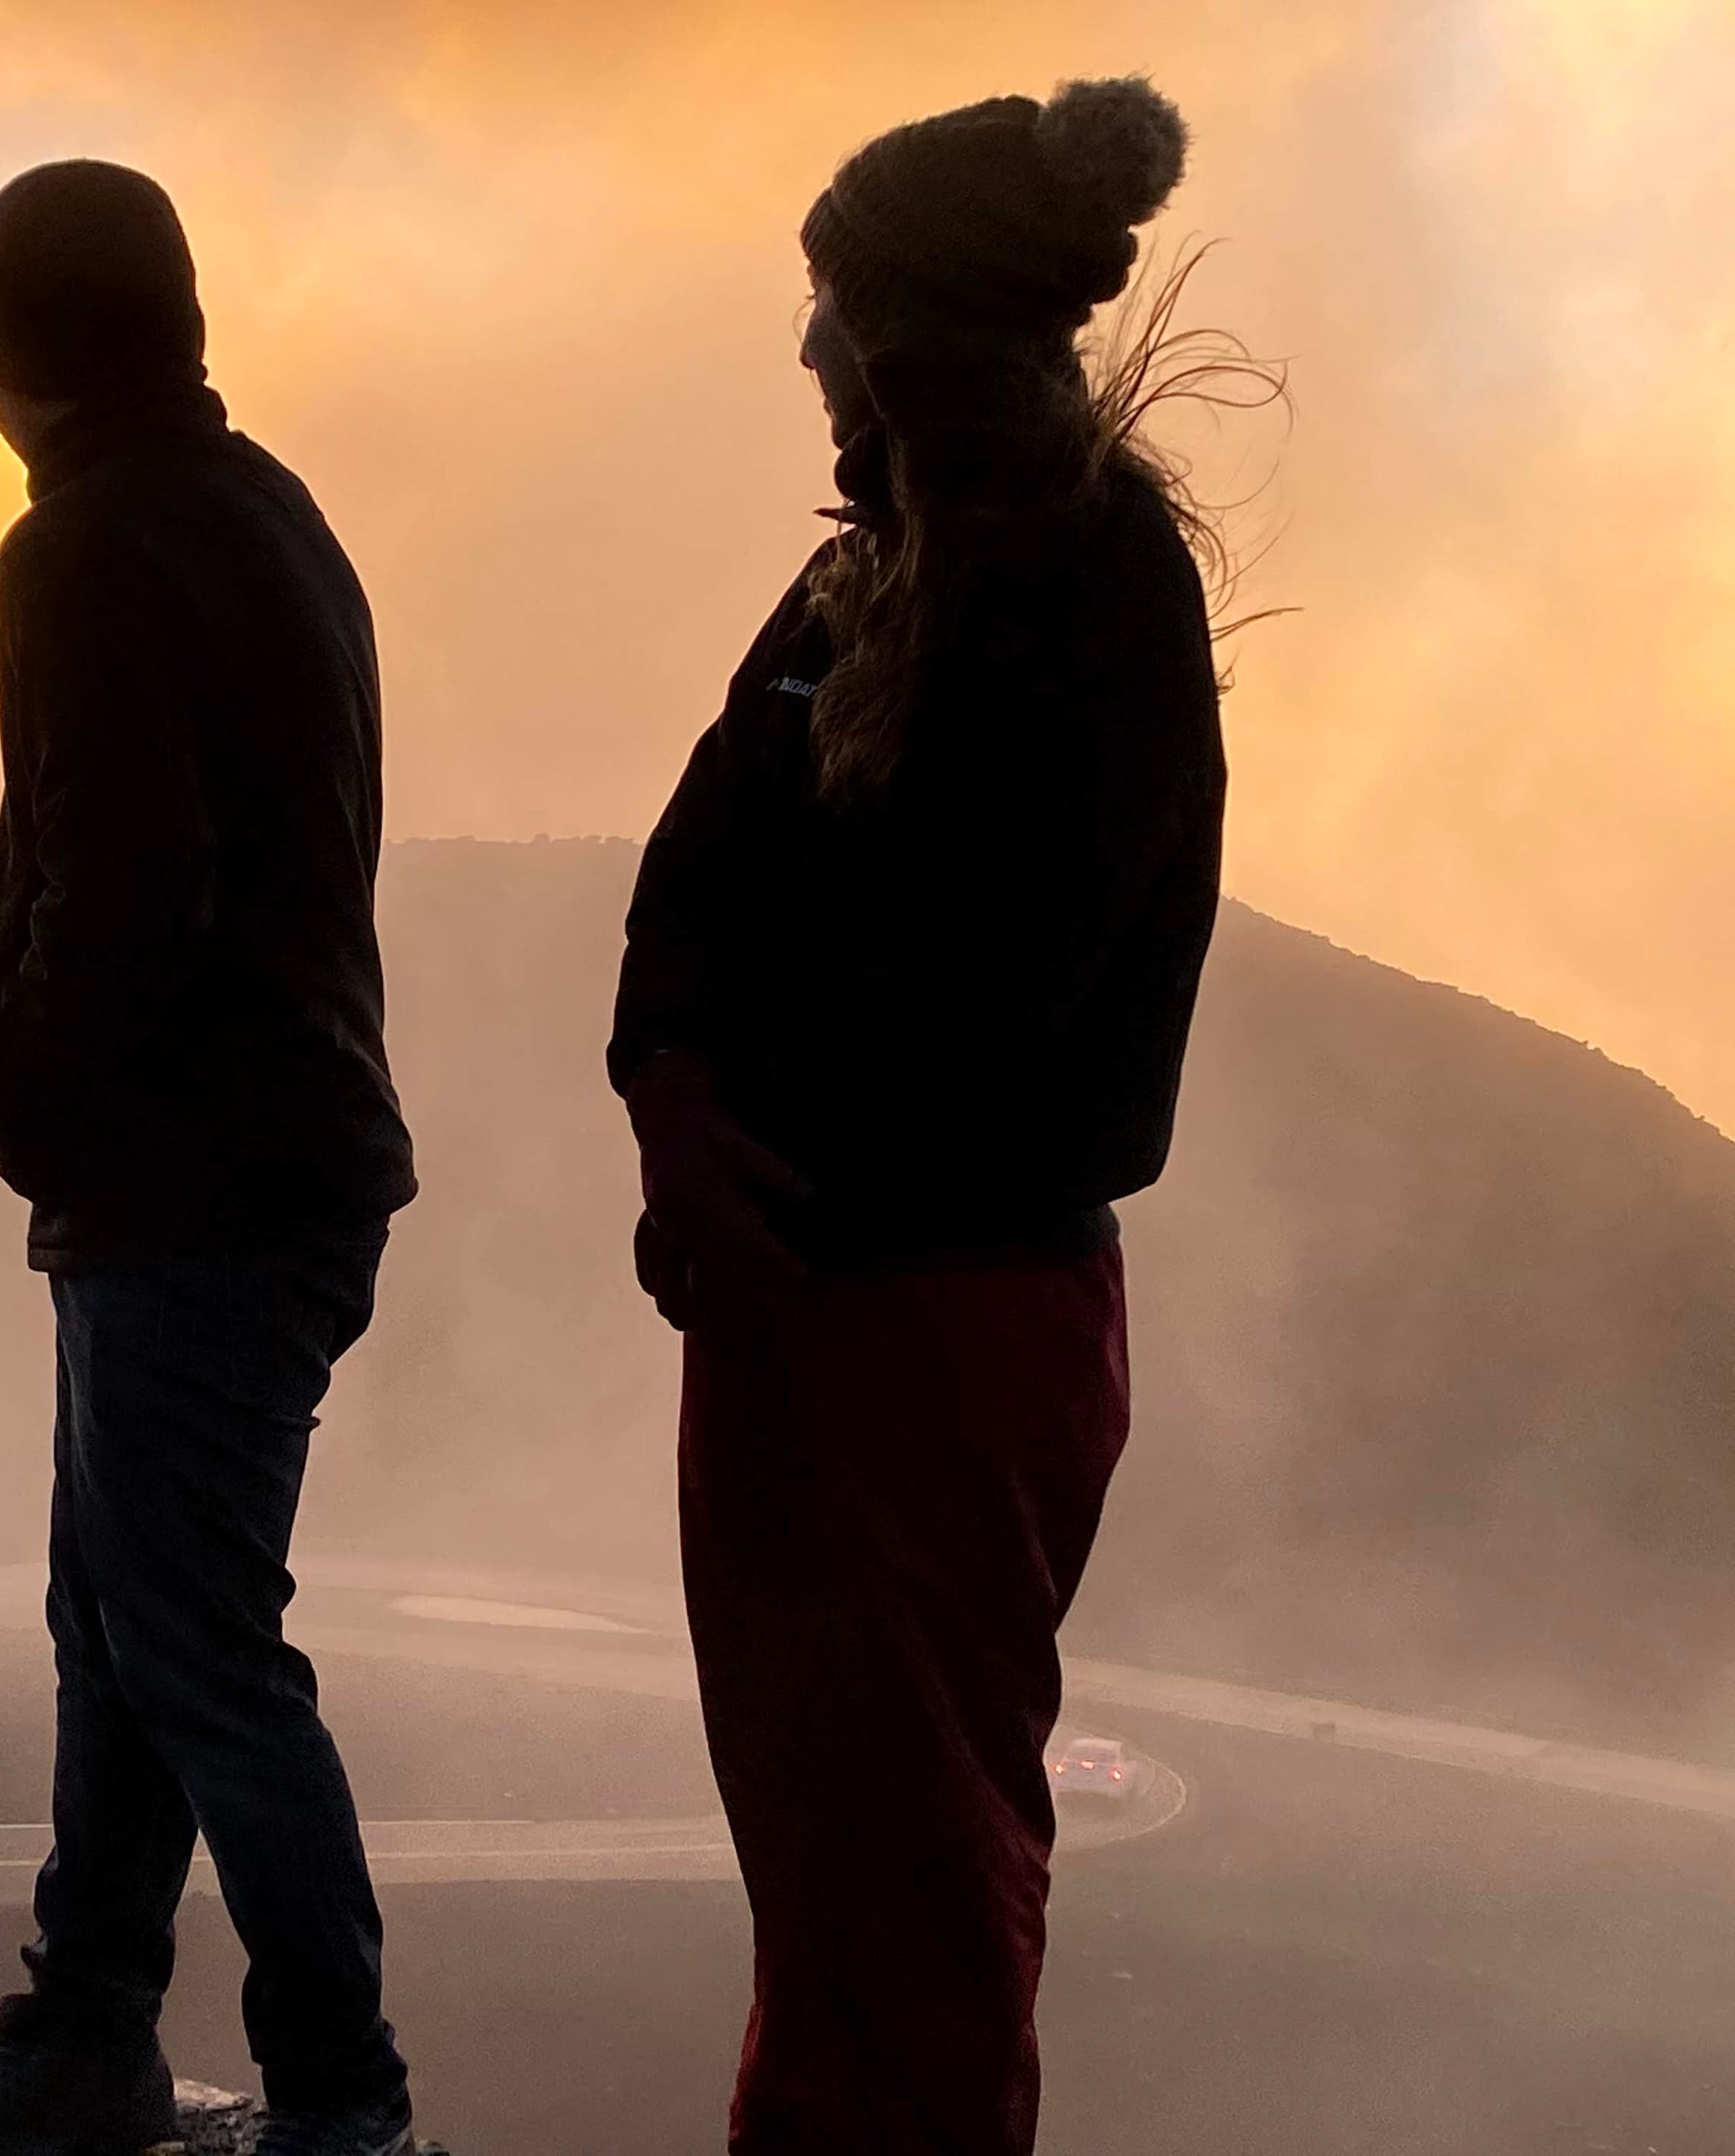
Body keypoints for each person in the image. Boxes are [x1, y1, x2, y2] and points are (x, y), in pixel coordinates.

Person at [607, 79, 1229, 2156]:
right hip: (813, 1304)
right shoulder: (860, 586)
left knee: (918, 1884)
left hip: (941, 1322)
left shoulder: (1090, 593)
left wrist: (754, 1137)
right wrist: (673, 1093)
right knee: (836, 1870)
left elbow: (999, 983)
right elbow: (693, 878)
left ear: (912, 334)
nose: (806, 356)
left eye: (832, 313)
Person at [0, 160, 422, 2156]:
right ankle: (89, 2028)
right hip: (270, 1167)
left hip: (185, 1188)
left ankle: (339, 2096)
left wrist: (30, 1093)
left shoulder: (88, 545)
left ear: (8, 364)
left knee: (189, 1638)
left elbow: (112, 881)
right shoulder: (271, 515)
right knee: (124, 1614)